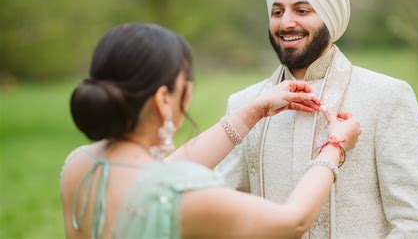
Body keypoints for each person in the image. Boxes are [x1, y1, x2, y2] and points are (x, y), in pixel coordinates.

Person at [60, 23, 361, 239]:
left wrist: (254, 110)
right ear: (164, 100)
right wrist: (334, 146)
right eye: (185, 86)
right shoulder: (184, 192)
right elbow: (292, 222)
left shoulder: (80, 165)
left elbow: (162, 171)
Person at [216, 0, 418, 238]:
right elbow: (221, 212)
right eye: (277, 12)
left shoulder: (387, 97)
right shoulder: (243, 105)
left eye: (302, 10)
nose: (286, 22)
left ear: (329, 17)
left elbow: (415, 222)